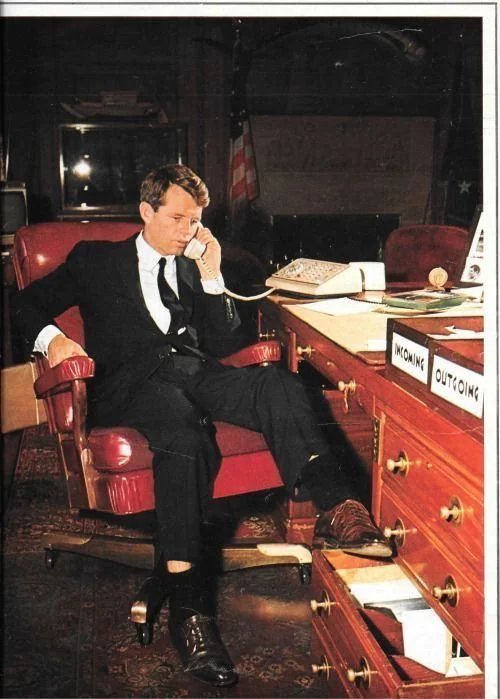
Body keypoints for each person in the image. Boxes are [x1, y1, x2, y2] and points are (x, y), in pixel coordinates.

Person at [13, 164, 391, 688]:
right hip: (131, 387)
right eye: (176, 218)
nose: (187, 230)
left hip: (197, 376)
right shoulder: (95, 259)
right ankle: (191, 614)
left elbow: (226, 345)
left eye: (195, 220)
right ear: (146, 211)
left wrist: (212, 275)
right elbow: (24, 303)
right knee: (183, 431)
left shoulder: (194, 267)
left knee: (278, 384)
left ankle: (338, 509)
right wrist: (53, 340)